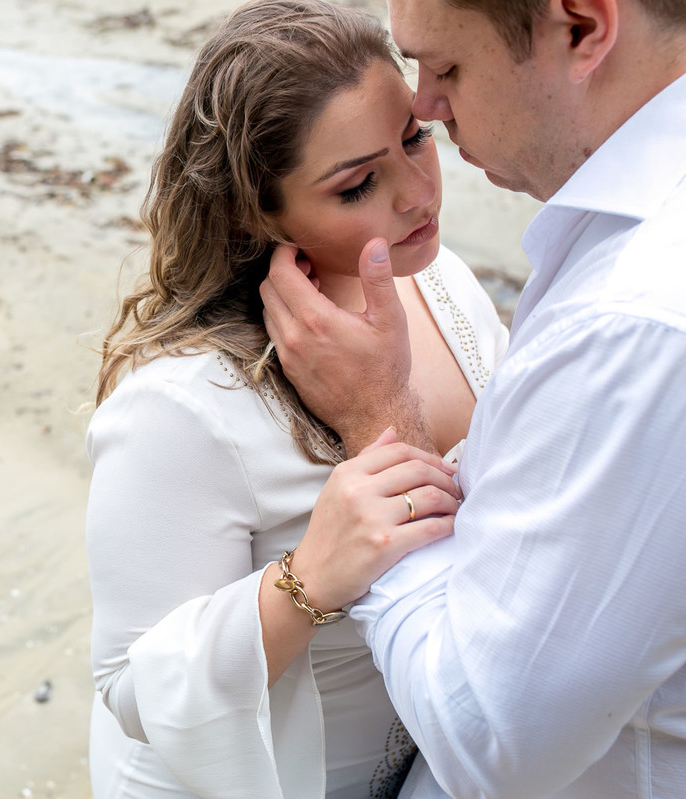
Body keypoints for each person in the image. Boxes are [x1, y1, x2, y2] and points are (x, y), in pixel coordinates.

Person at [260, 0, 686, 796]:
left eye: (447, 67)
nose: (423, 102)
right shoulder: (622, 255)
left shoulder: (633, 323)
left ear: (582, 28)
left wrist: (377, 420)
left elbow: (487, 737)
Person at [84, 2, 509, 796]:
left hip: (439, 759)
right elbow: (129, 689)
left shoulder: (443, 282)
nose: (419, 193)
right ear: (255, 213)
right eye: (359, 184)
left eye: (415, 137)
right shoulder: (182, 407)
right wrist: (305, 579)